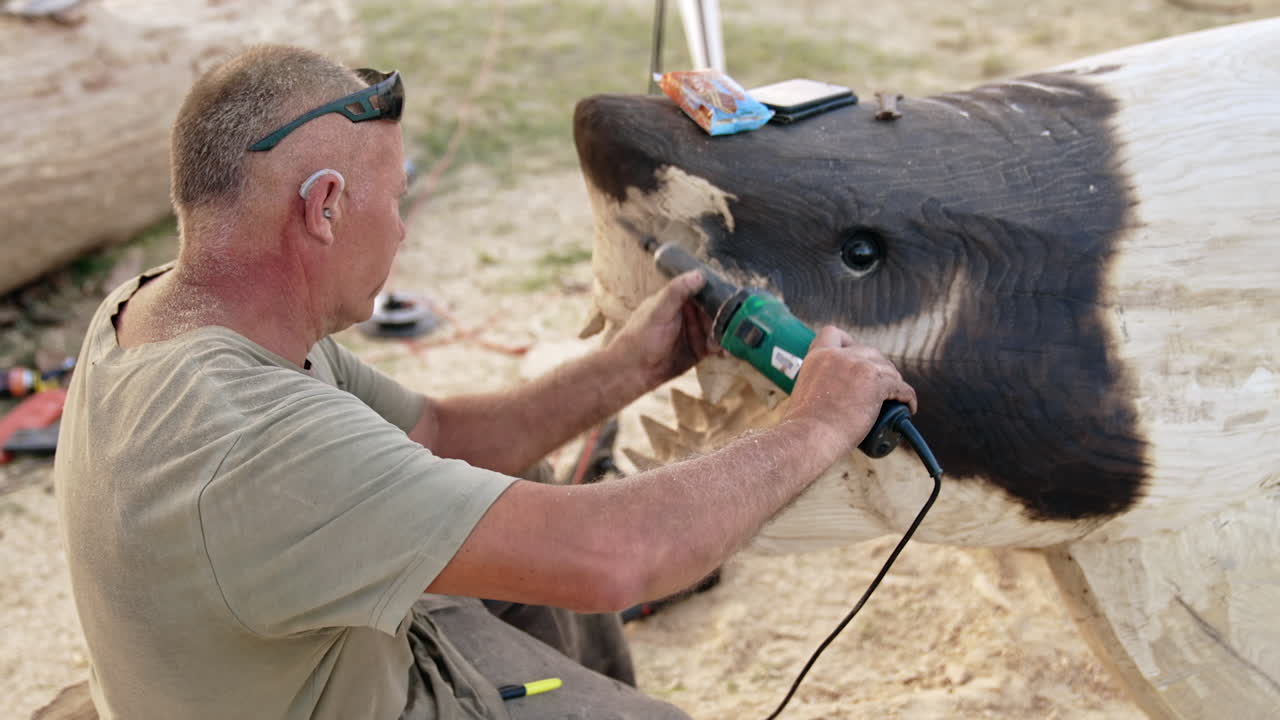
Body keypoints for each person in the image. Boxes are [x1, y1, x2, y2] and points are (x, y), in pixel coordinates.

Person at [53, 45, 917, 720]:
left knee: (517, 493)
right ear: (321, 208)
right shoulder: (251, 438)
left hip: (275, 667)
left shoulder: (175, 316)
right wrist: (816, 420)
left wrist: (633, 365)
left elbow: (434, 435)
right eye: (394, 200)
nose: (399, 231)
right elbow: (616, 556)